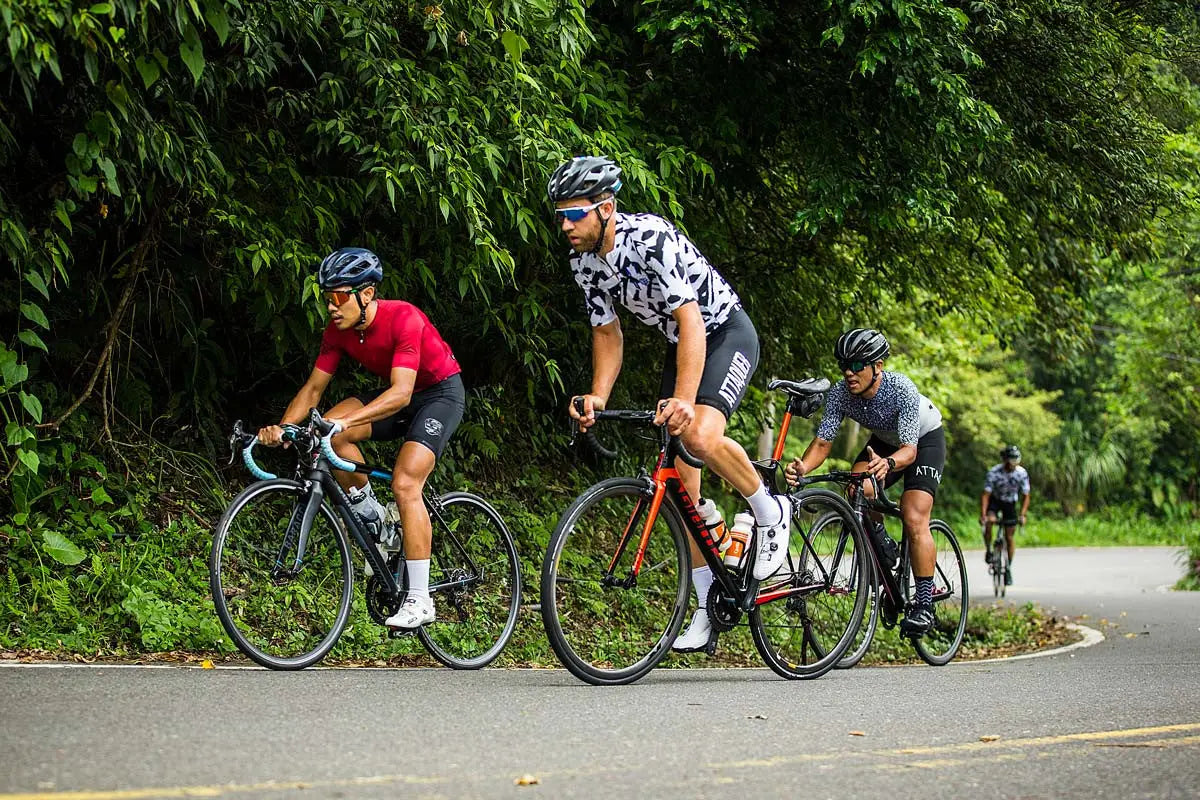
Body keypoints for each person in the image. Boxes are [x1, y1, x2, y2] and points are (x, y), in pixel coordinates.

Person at [549, 155, 790, 654]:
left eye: (575, 214)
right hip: (678, 340)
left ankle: (770, 510)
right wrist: (598, 395)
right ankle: (708, 608)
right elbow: (607, 332)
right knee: (681, 489)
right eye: (560, 216)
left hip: (722, 331)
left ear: (607, 208)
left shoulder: (650, 239)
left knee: (699, 434)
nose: (566, 225)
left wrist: (683, 400)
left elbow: (693, 321)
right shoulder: (583, 260)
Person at [257, 247, 465, 630]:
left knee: (405, 482)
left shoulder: (404, 318)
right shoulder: (337, 332)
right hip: (399, 396)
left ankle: (420, 599)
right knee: (328, 434)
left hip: (438, 395)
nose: (332, 307)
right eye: (327, 298)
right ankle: (378, 524)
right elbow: (314, 389)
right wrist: (285, 428)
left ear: (366, 293)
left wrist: (344, 421)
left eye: (339, 296)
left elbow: (402, 393)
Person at [784, 328, 945, 637]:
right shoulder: (841, 394)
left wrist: (889, 463)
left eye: (858, 365)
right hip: (884, 441)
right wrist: (803, 466)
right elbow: (822, 444)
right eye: (844, 365)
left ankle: (924, 603)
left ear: (878, 366)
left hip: (922, 442)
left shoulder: (902, 389)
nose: (849, 372)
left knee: (914, 514)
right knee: (857, 486)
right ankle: (881, 542)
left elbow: (910, 450)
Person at [981, 444, 1031, 586]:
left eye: (1016, 459)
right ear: (1005, 460)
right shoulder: (994, 472)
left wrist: (1022, 514)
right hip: (995, 501)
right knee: (990, 521)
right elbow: (986, 494)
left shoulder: (1021, 473)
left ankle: (1008, 567)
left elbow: (1026, 495)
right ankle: (989, 549)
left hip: (1010, 503)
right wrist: (983, 514)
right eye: (1011, 460)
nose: (1013, 463)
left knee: (1009, 536)